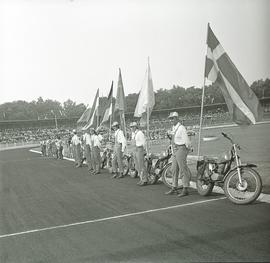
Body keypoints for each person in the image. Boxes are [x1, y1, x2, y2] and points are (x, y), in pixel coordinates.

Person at [165, 112, 192, 197]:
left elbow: (186, 141)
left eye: (172, 118)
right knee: (174, 169)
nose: (171, 120)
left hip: (181, 148)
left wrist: (187, 149)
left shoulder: (181, 128)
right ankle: (174, 187)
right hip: (175, 149)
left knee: (182, 169)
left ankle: (185, 188)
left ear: (177, 118)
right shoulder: (173, 128)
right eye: (170, 119)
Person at [130, 122, 148, 186]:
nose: (131, 128)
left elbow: (144, 142)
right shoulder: (133, 133)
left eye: (132, 127)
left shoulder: (140, 133)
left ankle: (144, 179)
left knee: (141, 165)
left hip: (139, 149)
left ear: (135, 127)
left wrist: (144, 151)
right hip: (135, 149)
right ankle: (141, 178)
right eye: (131, 127)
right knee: (137, 166)